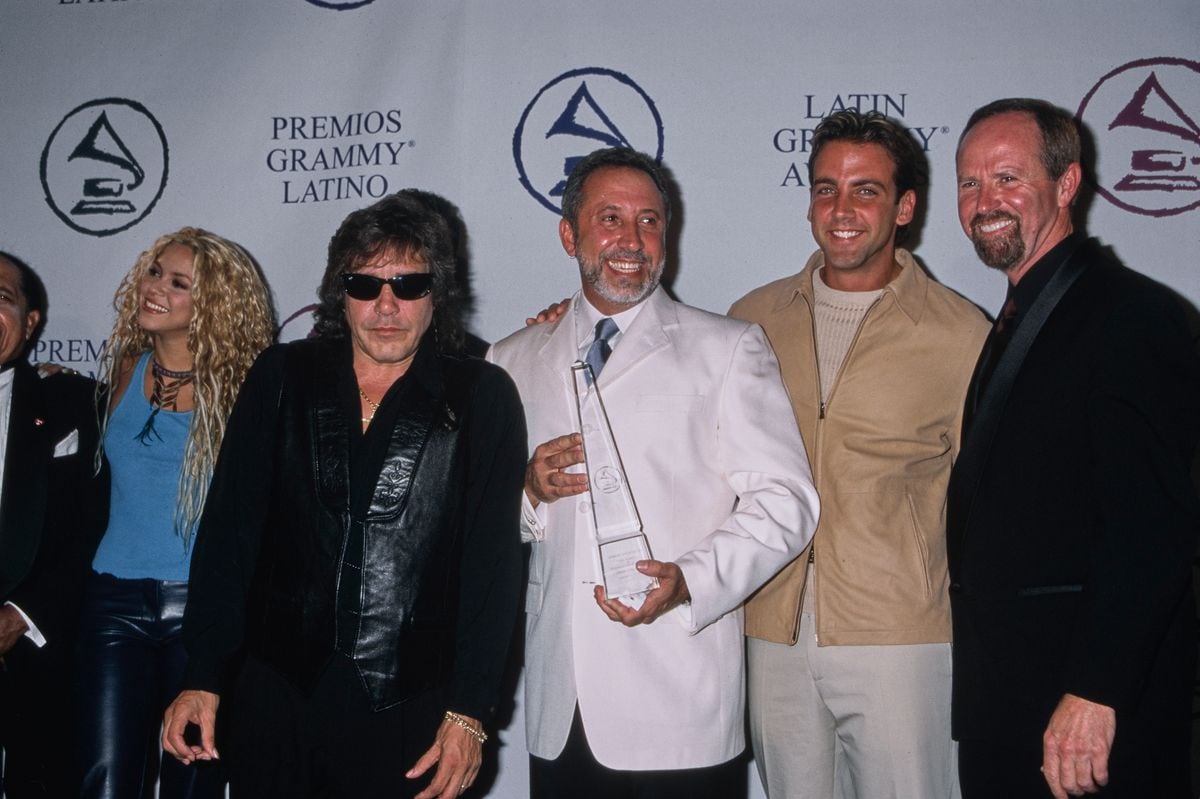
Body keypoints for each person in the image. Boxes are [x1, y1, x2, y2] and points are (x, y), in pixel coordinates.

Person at [161, 190, 527, 799]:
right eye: (365, 284)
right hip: (276, 692)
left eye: (409, 285)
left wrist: (470, 710)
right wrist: (204, 672)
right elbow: (230, 532)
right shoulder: (282, 376)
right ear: (341, 293)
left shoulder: (482, 394)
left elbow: (491, 566)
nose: (386, 305)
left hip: (411, 704)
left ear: (437, 293)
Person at [488, 147, 820, 798]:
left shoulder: (728, 347)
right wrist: (525, 492)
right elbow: (478, 522)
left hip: (681, 700)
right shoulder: (510, 358)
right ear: (569, 235)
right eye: (610, 218)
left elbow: (786, 501)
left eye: (649, 221)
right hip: (562, 709)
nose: (632, 240)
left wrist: (691, 579)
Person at [730, 110, 989, 798]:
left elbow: (995, 503)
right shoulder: (751, 320)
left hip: (902, 636)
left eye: (865, 190)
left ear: (905, 207)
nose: (841, 210)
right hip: (772, 629)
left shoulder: (961, 334)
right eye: (826, 189)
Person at [948, 98, 1200, 799]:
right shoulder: (1023, 316)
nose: (984, 202)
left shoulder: (1132, 316)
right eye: (970, 182)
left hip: (1086, 719)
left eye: (1007, 178)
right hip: (1010, 704)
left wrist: (1096, 689)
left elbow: (1152, 528)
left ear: (1066, 184)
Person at [75, 228, 275, 798]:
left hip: (204, 610)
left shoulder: (245, 391)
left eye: (179, 282)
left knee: (193, 784)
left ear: (213, 303)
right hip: (111, 603)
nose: (155, 287)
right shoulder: (123, 372)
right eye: (155, 272)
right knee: (104, 778)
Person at [0, 253, 109, 798]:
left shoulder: (72, 401)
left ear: (31, 321)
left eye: (2, 298)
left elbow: (91, 523)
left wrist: (21, 614)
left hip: (36, 644)